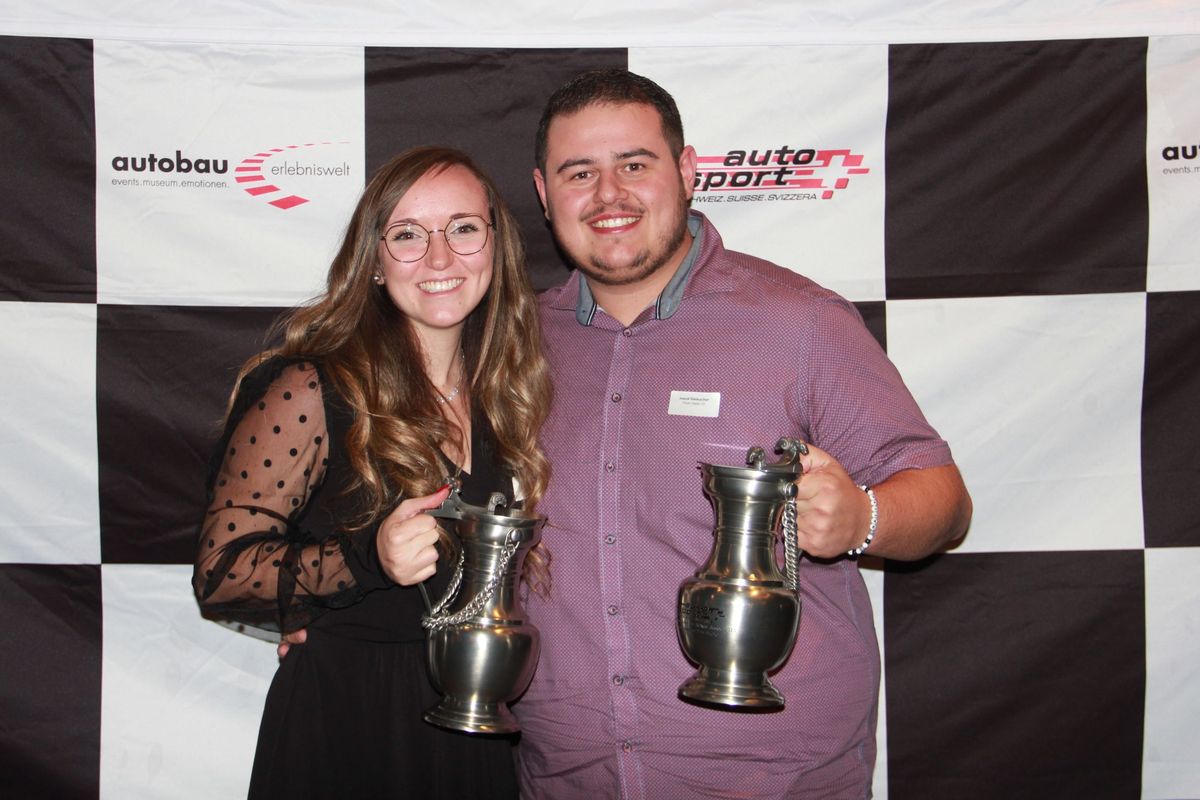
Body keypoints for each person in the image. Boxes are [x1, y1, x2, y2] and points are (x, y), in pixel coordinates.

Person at [514, 69, 973, 799]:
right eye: (579, 172)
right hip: (566, 778)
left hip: (773, 781)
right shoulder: (516, 344)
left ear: (687, 171)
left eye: (634, 164)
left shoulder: (799, 323)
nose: (608, 195)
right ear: (544, 193)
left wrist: (863, 517)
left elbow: (944, 502)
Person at [192, 145, 551, 800]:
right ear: (375, 262)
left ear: (496, 248)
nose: (439, 258)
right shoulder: (310, 386)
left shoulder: (510, 392)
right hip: (347, 725)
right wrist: (367, 557)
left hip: (474, 728)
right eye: (408, 235)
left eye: (463, 228)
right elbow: (222, 574)